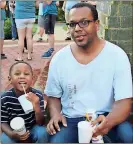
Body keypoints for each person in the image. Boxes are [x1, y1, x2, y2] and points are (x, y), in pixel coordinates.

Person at [44, 3, 133, 143]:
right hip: (72, 119)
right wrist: (55, 114)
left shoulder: (117, 55)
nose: (78, 28)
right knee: (57, 140)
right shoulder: (59, 59)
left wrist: (108, 123)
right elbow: (53, 96)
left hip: (107, 116)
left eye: (84, 22)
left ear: (97, 24)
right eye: (72, 24)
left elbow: (124, 102)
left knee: (128, 136)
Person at [1, 61, 49, 143]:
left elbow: (41, 122)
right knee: (5, 139)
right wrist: (11, 134)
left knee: (43, 133)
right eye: (17, 74)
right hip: (14, 131)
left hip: (33, 128)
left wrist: (36, 105)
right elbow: (3, 122)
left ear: (32, 79)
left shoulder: (37, 95)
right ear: (10, 79)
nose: (22, 76)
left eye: (26, 74)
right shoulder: (5, 98)